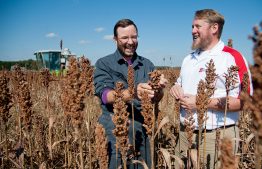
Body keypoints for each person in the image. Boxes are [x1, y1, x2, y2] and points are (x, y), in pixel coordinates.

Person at [170, 9, 253, 168]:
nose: (192, 30)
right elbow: (179, 82)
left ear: (214, 28)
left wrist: (201, 102)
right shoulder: (189, 58)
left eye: (197, 26)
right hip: (185, 134)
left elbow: (246, 101)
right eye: (192, 26)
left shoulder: (232, 57)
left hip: (216, 136)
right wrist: (176, 87)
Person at [94, 19, 167, 168]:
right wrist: (133, 93)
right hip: (116, 132)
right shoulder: (104, 63)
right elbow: (105, 95)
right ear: (115, 40)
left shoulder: (147, 64)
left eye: (134, 37)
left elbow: (156, 99)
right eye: (125, 38)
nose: (130, 42)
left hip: (143, 133)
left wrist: (159, 90)